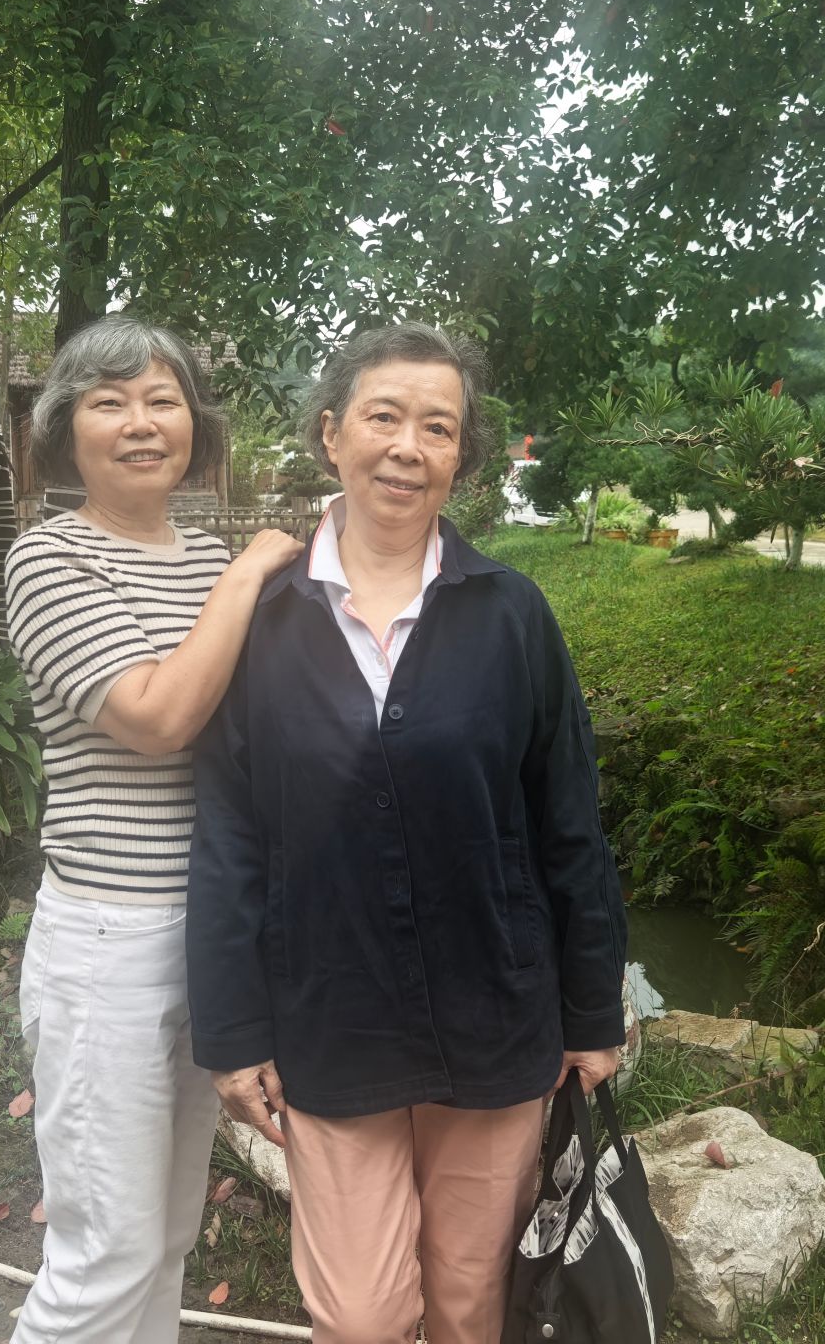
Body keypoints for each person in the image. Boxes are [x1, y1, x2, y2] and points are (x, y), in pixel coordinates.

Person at [189, 323, 628, 1344]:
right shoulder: (262, 620)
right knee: (360, 1314)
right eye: (382, 416)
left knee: (472, 1302)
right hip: (329, 1016)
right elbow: (229, 837)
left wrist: (591, 1008)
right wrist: (232, 1033)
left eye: (437, 427)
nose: (406, 447)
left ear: (461, 458)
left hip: (494, 1012)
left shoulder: (510, 613)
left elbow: (569, 821)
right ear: (330, 433)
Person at [2, 319, 302, 1344]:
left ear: (194, 425)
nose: (140, 423)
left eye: (162, 400)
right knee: (105, 1252)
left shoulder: (207, 556)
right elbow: (158, 716)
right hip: (110, 941)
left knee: (166, 1237)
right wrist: (249, 573)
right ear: (64, 431)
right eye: (109, 402)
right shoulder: (49, 559)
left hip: (211, 931)